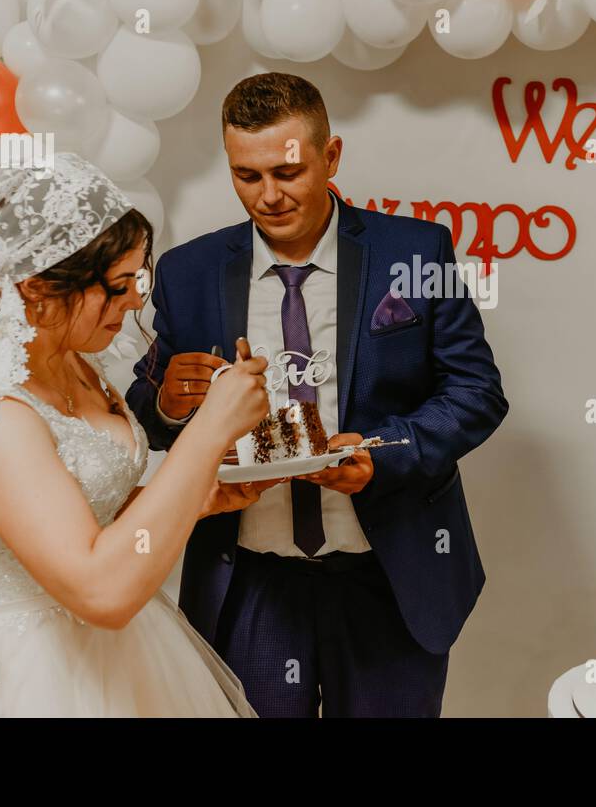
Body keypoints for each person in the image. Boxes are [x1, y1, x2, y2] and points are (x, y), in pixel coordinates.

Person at [126, 73, 509, 717]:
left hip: (391, 576)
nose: (269, 196)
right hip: (250, 579)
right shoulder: (187, 272)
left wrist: (385, 452)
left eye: (288, 171)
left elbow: (476, 391)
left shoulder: (416, 251)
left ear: (330, 156)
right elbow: (149, 411)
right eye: (248, 176)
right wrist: (166, 402)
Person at [0, 151, 272, 716]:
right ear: (37, 286)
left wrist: (195, 496)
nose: (135, 302)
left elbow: (77, 516)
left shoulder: (71, 361)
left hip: (121, 660)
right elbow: (101, 591)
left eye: (139, 280)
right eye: (119, 284)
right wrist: (209, 430)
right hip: (16, 675)